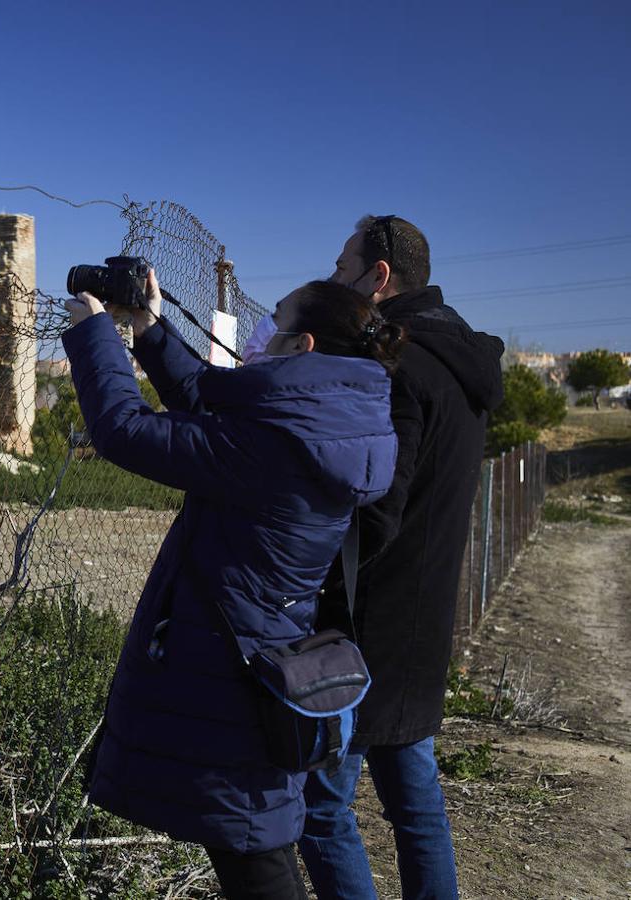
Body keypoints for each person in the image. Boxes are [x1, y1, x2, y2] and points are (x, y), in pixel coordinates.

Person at [62, 274, 402, 899]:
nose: (258, 333)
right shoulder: (326, 427)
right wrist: (148, 328)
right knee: (251, 844)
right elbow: (209, 399)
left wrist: (94, 336)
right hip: (256, 654)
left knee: (254, 853)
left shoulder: (275, 445)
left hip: (233, 673)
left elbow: (125, 431)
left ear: (301, 347)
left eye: (272, 321)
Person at [297, 215, 505, 900]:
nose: (335, 279)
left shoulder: (399, 367)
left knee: (322, 811)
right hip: (420, 619)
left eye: (343, 265)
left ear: (378, 277)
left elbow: (378, 510)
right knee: (415, 806)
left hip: (362, 626)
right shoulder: (458, 361)